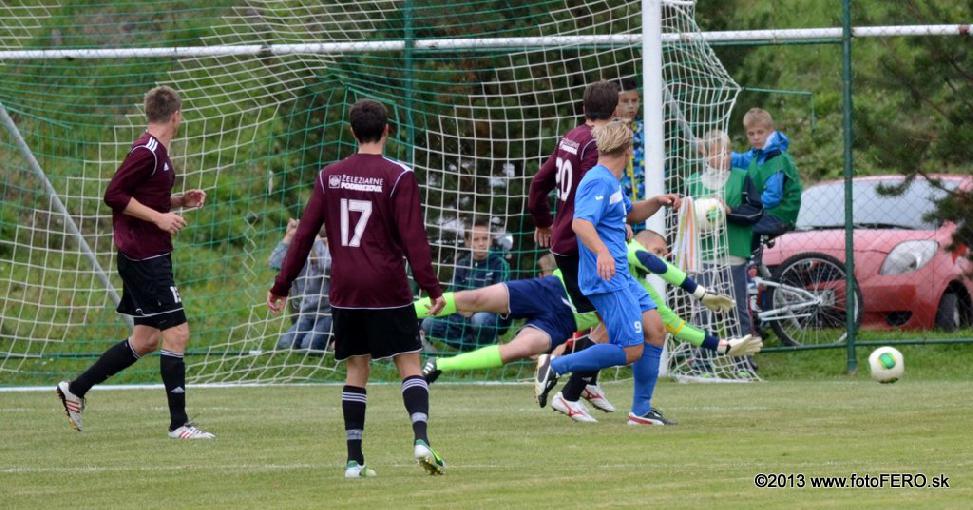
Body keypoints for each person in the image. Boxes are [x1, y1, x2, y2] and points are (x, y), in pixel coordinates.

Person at [268, 99, 447, 478]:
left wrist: (281, 285)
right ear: (387, 131)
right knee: (409, 362)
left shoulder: (329, 176)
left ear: (352, 132)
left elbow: (303, 236)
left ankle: (354, 460)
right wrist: (432, 288)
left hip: (346, 289)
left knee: (356, 368)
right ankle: (421, 439)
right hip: (387, 286)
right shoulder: (399, 175)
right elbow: (414, 240)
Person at [417, 231, 757, 418]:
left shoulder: (639, 293)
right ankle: (406, 310)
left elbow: (674, 325)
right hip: (549, 289)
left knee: (516, 351)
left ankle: (439, 365)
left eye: (665, 252)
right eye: (660, 249)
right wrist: (699, 291)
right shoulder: (624, 250)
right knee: (474, 299)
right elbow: (651, 260)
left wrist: (721, 346)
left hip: (561, 321)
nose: (662, 255)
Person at [55, 86, 214, 440]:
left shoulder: (157, 152)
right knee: (177, 333)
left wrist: (179, 201)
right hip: (145, 258)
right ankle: (179, 425)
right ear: (176, 116)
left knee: (145, 340)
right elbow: (114, 195)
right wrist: (159, 219)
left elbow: (145, 197)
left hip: (146, 255)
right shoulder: (147, 151)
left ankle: (75, 390)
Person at [528, 80, 680, 410]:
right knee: (618, 332)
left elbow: (540, 183)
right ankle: (567, 379)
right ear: (614, 110)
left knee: (639, 328)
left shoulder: (571, 137)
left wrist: (543, 221)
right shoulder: (595, 149)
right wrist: (605, 240)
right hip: (583, 248)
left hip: (572, 244)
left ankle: (597, 390)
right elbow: (586, 211)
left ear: (584, 107)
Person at [686, 130, 763, 336]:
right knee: (702, 308)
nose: (724, 158)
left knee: (736, 308)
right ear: (705, 155)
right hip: (703, 255)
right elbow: (683, 219)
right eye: (717, 153)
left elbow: (756, 211)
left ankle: (741, 350)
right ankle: (703, 353)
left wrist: (730, 211)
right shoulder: (692, 182)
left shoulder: (741, 177)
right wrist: (697, 217)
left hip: (733, 252)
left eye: (727, 153)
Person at [421, 218, 510, 350]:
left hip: (487, 316)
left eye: (485, 238)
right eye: (476, 239)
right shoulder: (462, 264)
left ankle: (489, 344)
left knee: (479, 319)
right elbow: (452, 294)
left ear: (491, 240)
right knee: (428, 323)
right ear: (468, 242)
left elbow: (502, 299)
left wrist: (473, 307)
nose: (481, 243)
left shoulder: (499, 264)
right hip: (462, 316)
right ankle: (471, 348)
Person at [731, 108, 802, 241]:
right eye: (751, 134)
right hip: (767, 211)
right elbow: (741, 160)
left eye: (760, 132)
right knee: (737, 220)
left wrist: (749, 208)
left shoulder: (776, 158)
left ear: (770, 131)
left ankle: (749, 254)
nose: (756, 137)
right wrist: (720, 153)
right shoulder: (758, 152)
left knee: (742, 227)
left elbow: (773, 197)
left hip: (780, 215)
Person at [268, 218, 332, 351]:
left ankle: (337, 340)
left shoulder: (331, 256)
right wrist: (289, 237)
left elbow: (326, 266)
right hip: (307, 314)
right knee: (284, 344)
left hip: (329, 316)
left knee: (309, 345)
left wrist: (316, 241)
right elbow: (274, 263)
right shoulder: (301, 256)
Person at [614, 77, 646, 211]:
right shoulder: (605, 133)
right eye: (625, 101)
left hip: (647, 205)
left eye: (634, 100)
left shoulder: (647, 130)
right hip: (617, 208)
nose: (631, 106)